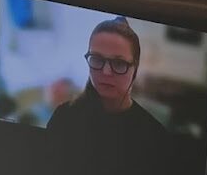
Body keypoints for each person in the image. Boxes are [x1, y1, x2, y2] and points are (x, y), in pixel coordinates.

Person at [46, 18, 169, 157]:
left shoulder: (154, 135)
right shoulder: (64, 117)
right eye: (97, 59)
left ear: (135, 68)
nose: (106, 72)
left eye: (118, 63)